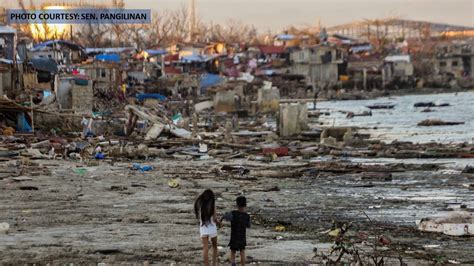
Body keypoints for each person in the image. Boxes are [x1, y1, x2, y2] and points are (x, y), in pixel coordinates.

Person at [220, 196, 251, 266]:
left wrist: (221, 219)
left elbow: (225, 216)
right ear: (245, 205)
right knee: (242, 251)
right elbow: (248, 225)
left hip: (234, 236)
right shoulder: (247, 216)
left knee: (233, 251)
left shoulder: (233, 213)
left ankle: (233, 264)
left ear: (236, 205)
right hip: (242, 237)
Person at [194, 189, 218, 266]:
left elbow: (198, 216)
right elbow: (214, 218)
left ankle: (206, 264)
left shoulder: (200, 204)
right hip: (212, 228)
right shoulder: (212, 205)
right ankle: (213, 263)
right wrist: (219, 223)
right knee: (215, 246)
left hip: (203, 228)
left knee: (205, 248)